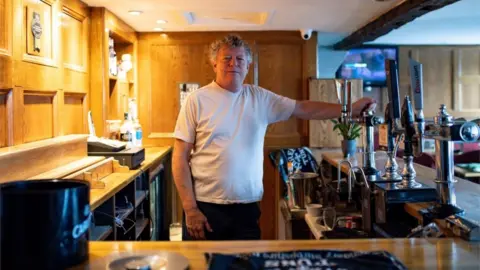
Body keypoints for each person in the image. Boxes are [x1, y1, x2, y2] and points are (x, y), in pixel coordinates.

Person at [172, 34, 376, 241]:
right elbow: (180, 156)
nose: (234, 63)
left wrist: (348, 109)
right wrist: (190, 209)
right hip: (205, 209)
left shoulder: (259, 98)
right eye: (227, 58)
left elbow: (303, 108)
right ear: (214, 63)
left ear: (248, 66)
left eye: (240, 59)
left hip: (247, 208)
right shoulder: (196, 100)